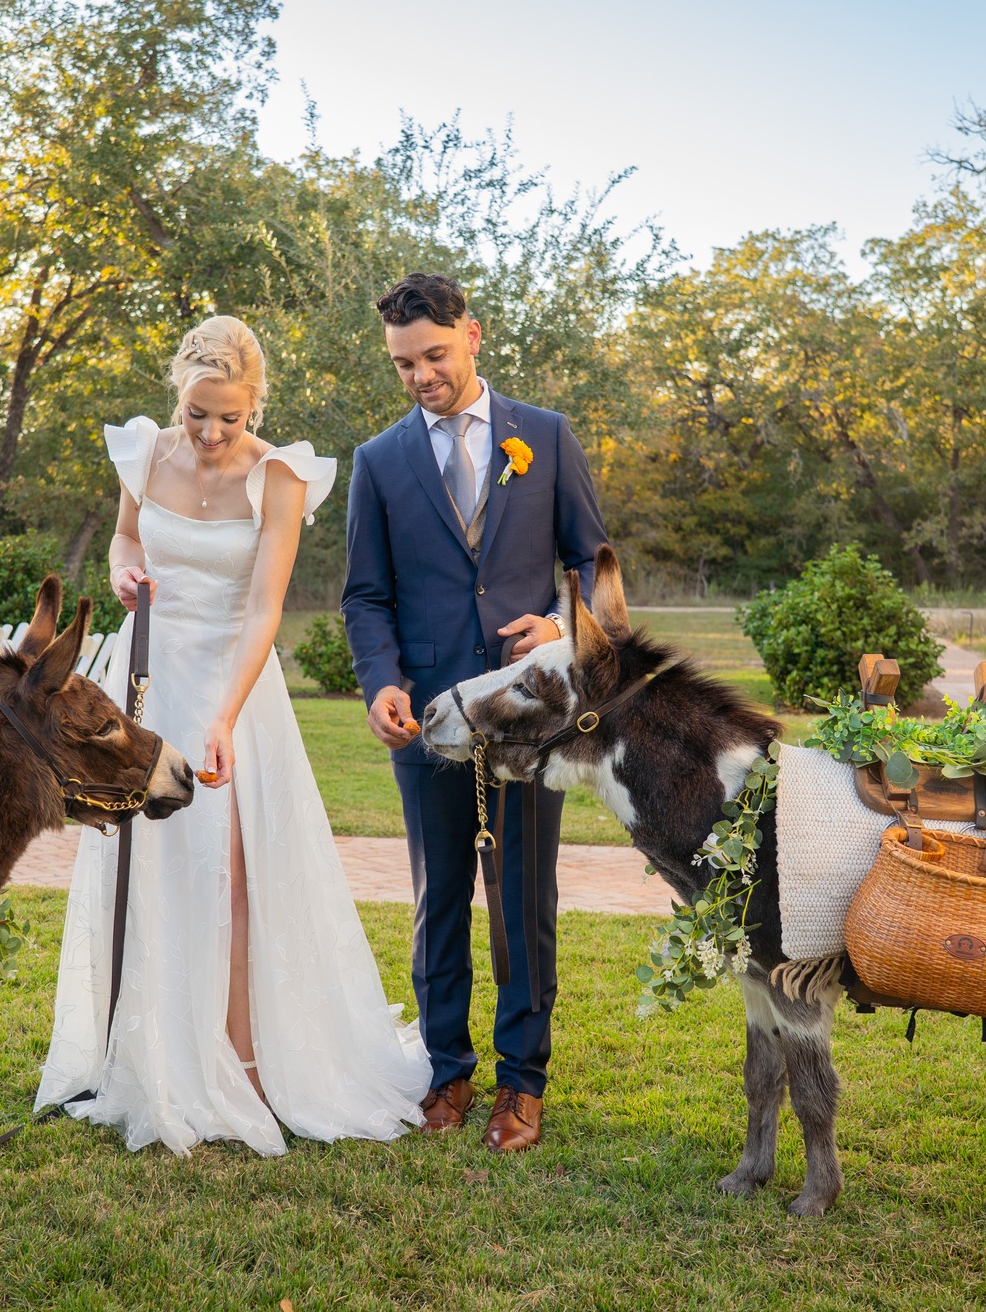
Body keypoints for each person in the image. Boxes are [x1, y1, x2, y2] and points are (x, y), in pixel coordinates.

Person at [37, 315, 430, 1154]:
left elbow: (265, 606)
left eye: (232, 416)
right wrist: (119, 569)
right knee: (144, 864)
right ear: (177, 395)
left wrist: (223, 715)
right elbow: (126, 537)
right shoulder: (143, 454)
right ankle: (147, 1049)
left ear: (256, 404)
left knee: (234, 869)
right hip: (147, 682)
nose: (213, 433)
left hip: (234, 688)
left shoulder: (277, 476)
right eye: (198, 414)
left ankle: (247, 1063)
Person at [341, 273, 609, 1152]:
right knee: (439, 896)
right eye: (403, 363)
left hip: (529, 713)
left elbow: (595, 568)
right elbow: (366, 596)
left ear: (473, 335)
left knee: (525, 899)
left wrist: (564, 628)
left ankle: (521, 1084)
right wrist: (381, 680)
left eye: (434, 355)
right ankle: (447, 1071)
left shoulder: (549, 436)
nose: (420, 375)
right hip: (426, 717)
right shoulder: (378, 461)